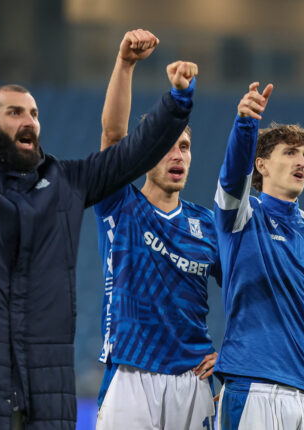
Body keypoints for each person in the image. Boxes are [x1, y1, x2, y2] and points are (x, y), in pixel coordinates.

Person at [0, 35, 196, 429]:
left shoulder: (65, 181)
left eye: (34, 113)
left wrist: (177, 100)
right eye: (15, 113)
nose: (29, 121)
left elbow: (132, 155)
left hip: (45, 394)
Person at [93, 29, 219, 430]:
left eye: (184, 145)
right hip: (131, 374)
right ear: (145, 152)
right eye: (166, 144)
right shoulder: (120, 204)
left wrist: (232, 351)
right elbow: (113, 136)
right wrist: (126, 63)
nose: (177, 154)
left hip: (193, 380)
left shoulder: (208, 225)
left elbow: (246, 288)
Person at [213, 82, 304, 430]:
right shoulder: (241, 216)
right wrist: (246, 125)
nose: (302, 161)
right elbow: (230, 180)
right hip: (252, 384)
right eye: (290, 152)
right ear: (262, 165)